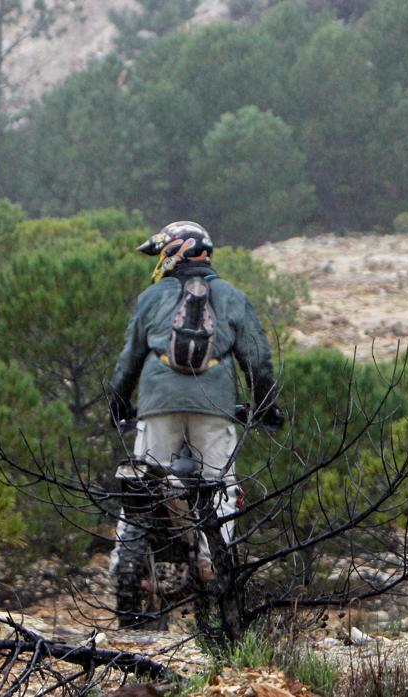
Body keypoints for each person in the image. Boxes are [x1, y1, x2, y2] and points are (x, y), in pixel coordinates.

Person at [109, 220, 284, 578]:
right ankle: (211, 561)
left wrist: (118, 404)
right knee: (221, 486)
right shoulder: (232, 297)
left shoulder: (151, 297)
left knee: (141, 484)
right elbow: (257, 361)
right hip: (213, 405)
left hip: (158, 403)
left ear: (174, 252)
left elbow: (129, 360)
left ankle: (122, 563)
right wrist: (266, 407)